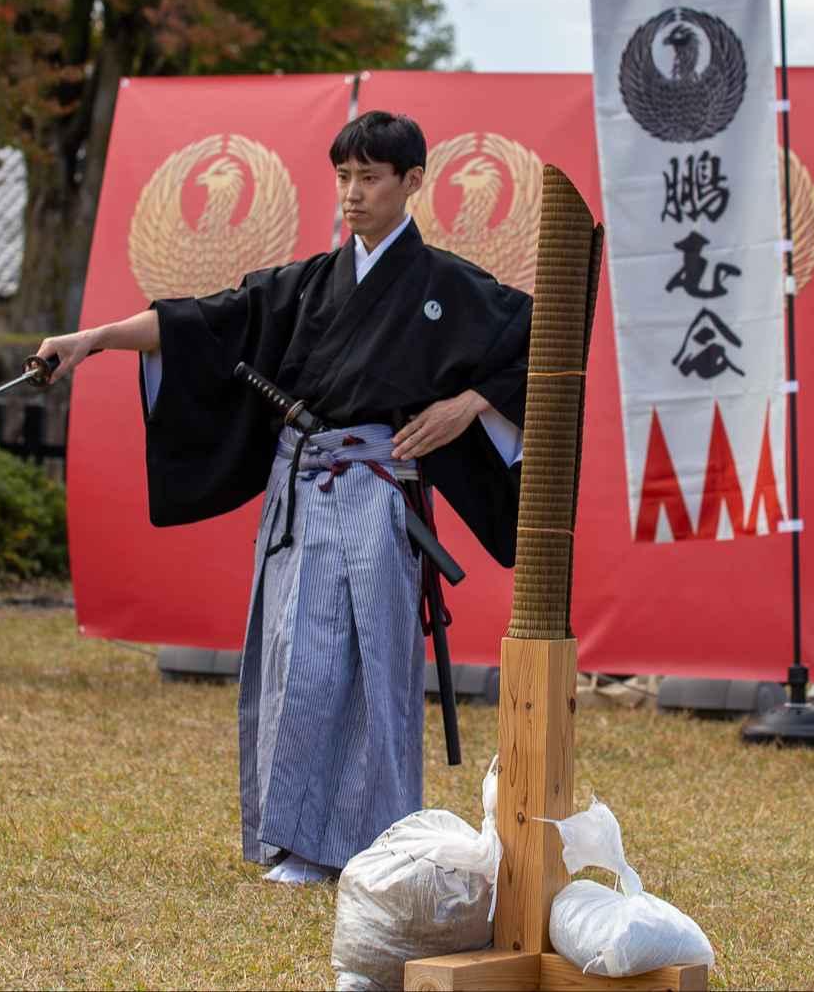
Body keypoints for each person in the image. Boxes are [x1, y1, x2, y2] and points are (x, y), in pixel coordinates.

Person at [36, 111, 531, 884]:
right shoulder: (307, 285)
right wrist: (92, 339)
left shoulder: (448, 286)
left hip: (379, 485)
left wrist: (467, 404)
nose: (354, 193)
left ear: (413, 182)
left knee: (377, 662)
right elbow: (203, 322)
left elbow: (535, 336)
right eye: (344, 177)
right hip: (303, 483)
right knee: (300, 657)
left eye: (370, 177)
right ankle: (299, 842)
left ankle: (384, 842)